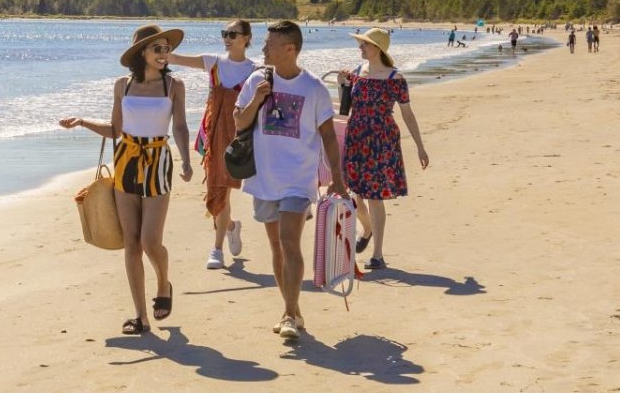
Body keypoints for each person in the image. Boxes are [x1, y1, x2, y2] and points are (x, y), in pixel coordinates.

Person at [59, 24, 194, 335]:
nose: (164, 54)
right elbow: (115, 130)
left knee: (150, 241)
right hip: (127, 162)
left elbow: (181, 127)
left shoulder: (174, 86)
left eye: (165, 49)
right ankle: (141, 316)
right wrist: (82, 122)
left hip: (158, 162)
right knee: (131, 243)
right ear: (141, 53)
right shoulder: (123, 85)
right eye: (157, 49)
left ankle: (163, 283)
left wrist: (186, 160)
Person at [233, 20, 347, 342]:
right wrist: (257, 99)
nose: (263, 48)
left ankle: (287, 314)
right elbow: (240, 122)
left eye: (270, 43)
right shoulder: (257, 79)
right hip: (264, 178)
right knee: (275, 247)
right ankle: (293, 310)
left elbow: (328, 136)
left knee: (288, 242)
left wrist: (337, 179)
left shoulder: (313, 88)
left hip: (298, 180)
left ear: (290, 49)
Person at [336, 28, 429, 270]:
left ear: (377, 48)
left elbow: (407, 114)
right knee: (355, 194)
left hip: (382, 139)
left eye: (364, 45)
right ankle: (366, 230)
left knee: (375, 197)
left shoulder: (395, 79)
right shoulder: (356, 73)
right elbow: (345, 108)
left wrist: (420, 147)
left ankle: (377, 254)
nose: (360, 48)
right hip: (356, 136)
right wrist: (341, 85)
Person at [169, 20, 255, 270]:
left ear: (246, 38)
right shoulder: (213, 62)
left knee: (222, 189)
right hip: (212, 136)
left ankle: (216, 249)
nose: (226, 38)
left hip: (238, 140)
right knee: (216, 190)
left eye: (232, 34)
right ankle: (229, 227)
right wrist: (157, 48)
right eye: (224, 34)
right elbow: (176, 59)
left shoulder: (255, 70)